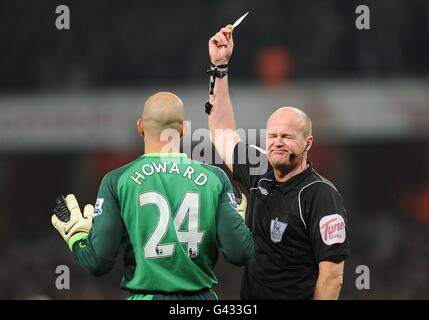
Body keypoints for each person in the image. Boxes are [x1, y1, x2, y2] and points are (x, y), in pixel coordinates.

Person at [51, 92, 253, 300]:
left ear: (140, 127)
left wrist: (76, 235)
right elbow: (239, 253)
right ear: (183, 129)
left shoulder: (117, 180)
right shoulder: (215, 178)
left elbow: (98, 263)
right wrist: (236, 220)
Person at [207, 25, 350, 300]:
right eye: (272, 135)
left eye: (287, 136)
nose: (277, 142)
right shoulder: (259, 168)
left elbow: (332, 276)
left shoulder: (321, 195)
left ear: (308, 143)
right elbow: (221, 131)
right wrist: (220, 67)